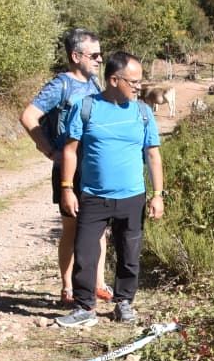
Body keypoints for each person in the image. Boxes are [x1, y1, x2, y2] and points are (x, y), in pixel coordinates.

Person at [55, 51, 164, 329]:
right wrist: (67, 188)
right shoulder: (86, 107)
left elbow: (153, 155)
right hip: (93, 195)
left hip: (132, 196)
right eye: (134, 82)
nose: (139, 87)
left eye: (140, 82)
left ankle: (124, 303)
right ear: (114, 80)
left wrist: (158, 194)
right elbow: (70, 152)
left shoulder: (143, 112)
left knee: (129, 253)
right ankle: (84, 307)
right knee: (85, 252)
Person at [19, 28, 113, 307]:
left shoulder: (96, 84)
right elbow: (29, 116)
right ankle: (68, 287)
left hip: (95, 166)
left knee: (99, 228)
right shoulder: (60, 85)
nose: (99, 59)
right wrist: (49, 150)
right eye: (94, 55)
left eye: (100, 54)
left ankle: (97, 284)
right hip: (69, 167)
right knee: (71, 227)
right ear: (76, 56)